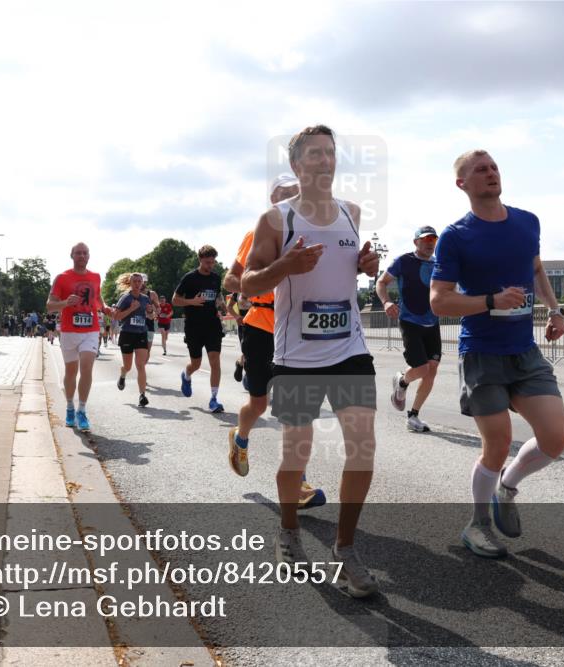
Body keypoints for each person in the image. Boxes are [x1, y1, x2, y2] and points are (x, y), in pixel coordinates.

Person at [242, 126, 380, 597]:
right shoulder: (276, 220)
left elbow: (348, 271)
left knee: (363, 448)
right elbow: (245, 284)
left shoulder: (351, 212)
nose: (324, 161)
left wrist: (367, 266)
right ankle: (289, 532)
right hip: (296, 356)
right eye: (314, 155)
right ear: (297, 165)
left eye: (330, 153)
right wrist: (285, 267)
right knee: (295, 454)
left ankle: (345, 549)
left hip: (350, 350)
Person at [429, 149, 564, 559]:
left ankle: (506, 488)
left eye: (493, 167)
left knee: (556, 439)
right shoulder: (456, 236)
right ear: (463, 184)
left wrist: (555, 310)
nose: (490, 173)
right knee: (498, 442)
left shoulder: (527, 222)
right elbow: (439, 301)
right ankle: (477, 525)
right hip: (482, 354)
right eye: (480, 170)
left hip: (523, 351)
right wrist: (491, 301)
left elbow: (536, 269)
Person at [223, 173, 326, 510]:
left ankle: (299, 482)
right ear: (272, 201)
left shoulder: (315, 234)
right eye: (283, 196)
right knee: (258, 404)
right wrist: (248, 287)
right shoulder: (258, 233)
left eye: (295, 195)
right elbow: (231, 278)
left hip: (298, 328)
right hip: (261, 326)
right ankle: (240, 438)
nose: (290, 201)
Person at [376, 225, 443, 433]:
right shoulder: (404, 261)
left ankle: (413, 415)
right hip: (410, 320)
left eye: (433, 240)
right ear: (416, 242)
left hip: (432, 322)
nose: (430, 243)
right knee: (422, 369)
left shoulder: (439, 264)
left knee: (431, 370)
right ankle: (402, 381)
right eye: (425, 239)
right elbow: (381, 282)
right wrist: (386, 302)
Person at [47, 242, 113, 432]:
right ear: (72, 255)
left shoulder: (95, 277)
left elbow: (97, 299)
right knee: (71, 371)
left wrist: (105, 308)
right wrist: (65, 303)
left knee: (87, 368)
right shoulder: (62, 278)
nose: (82, 256)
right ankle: (69, 407)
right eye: (78, 253)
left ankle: (82, 410)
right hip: (69, 330)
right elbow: (50, 305)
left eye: (85, 253)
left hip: (90, 330)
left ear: (89, 256)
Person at [173, 246, 227, 413]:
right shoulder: (190, 278)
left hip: (212, 325)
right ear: (200, 260)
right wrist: (191, 302)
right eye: (207, 262)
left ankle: (213, 399)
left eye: (213, 262)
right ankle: (186, 375)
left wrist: (221, 305)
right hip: (194, 327)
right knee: (196, 364)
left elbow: (218, 296)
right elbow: (175, 300)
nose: (210, 265)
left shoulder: (216, 278)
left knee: (215, 361)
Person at [113, 272, 151, 407]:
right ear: (130, 283)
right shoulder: (125, 298)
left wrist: (151, 311)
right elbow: (116, 317)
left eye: (139, 281)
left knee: (141, 365)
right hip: (127, 333)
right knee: (128, 366)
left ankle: (142, 395)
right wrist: (131, 308)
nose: (137, 284)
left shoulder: (146, 298)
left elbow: (151, 317)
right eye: (134, 281)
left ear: (142, 283)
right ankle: (123, 374)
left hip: (141, 333)